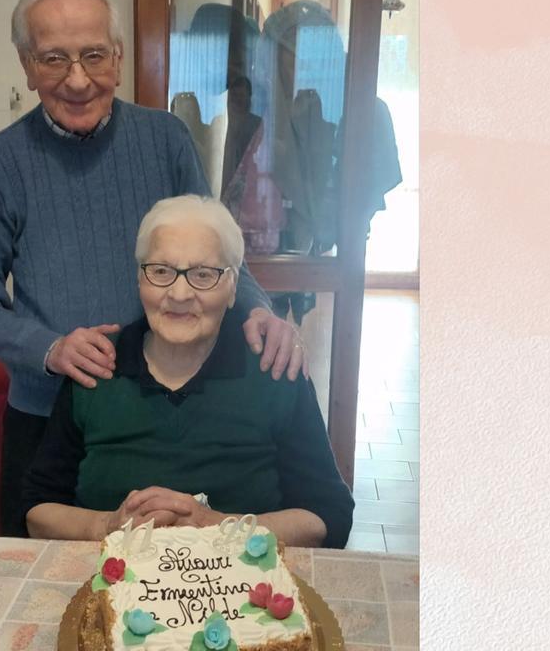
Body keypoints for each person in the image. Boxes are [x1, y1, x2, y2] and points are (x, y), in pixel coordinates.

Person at [0, 0, 309, 537]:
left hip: (153, 413)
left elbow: (215, 245)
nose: (77, 79)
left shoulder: (165, 139)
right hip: (48, 416)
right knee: (48, 587)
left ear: (118, 56)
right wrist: (50, 348)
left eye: (94, 55)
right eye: (53, 59)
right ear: (26, 64)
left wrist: (260, 310)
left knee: (176, 587)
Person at [21, 195, 353, 548]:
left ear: (232, 287)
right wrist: (107, 525)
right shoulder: (95, 365)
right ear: (139, 280)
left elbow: (328, 516)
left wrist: (216, 527)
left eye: (203, 274)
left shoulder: (274, 369)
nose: (179, 294)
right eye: (161, 271)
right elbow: (34, 508)